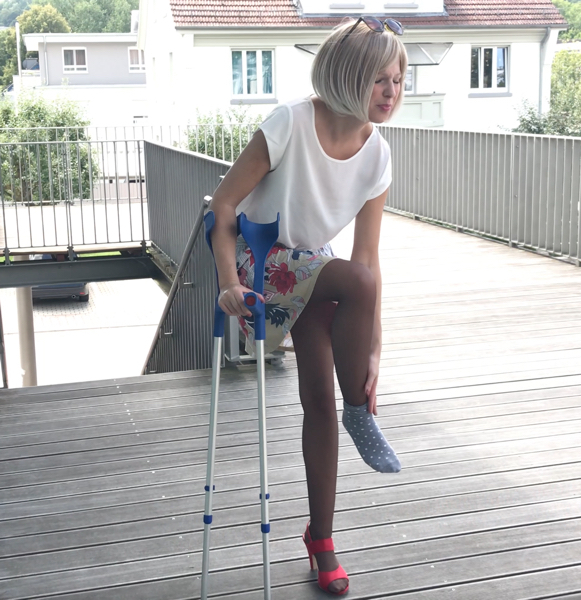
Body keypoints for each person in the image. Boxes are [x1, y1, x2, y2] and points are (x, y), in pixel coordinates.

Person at [208, 16, 408, 596]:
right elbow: (222, 205)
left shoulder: (378, 156)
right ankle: (360, 414)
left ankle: (321, 540)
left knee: (320, 401)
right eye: (380, 79)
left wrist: (374, 351)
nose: (392, 92)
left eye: (399, 80)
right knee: (352, 282)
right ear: (348, 77)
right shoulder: (290, 123)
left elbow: (368, 257)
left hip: (311, 270)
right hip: (258, 265)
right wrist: (227, 282)